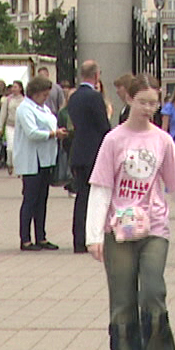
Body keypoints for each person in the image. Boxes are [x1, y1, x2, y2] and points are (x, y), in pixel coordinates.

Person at [84, 74, 175, 350]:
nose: (148, 109)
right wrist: (93, 235)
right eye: (142, 102)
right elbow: (101, 188)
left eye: (154, 103)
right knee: (122, 300)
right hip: (118, 231)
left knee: (152, 291)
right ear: (130, 101)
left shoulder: (163, 141)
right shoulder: (114, 140)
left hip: (153, 227)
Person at [14, 76, 68, 251]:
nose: (46, 98)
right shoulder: (24, 109)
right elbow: (32, 133)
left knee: (42, 199)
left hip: (45, 160)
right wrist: (53, 134)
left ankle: (41, 236)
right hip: (31, 161)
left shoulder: (42, 108)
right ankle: (25, 238)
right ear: (35, 93)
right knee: (30, 199)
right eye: (44, 95)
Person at [69, 60, 113, 254]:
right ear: (96, 76)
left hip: (78, 150)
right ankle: (89, 237)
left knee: (81, 196)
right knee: (93, 197)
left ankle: (78, 238)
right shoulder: (95, 97)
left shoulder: (74, 97)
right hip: (93, 152)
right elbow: (102, 125)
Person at [0, 80, 25, 175]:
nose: (13, 89)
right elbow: (3, 114)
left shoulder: (24, 100)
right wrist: (0, 127)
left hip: (21, 127)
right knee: (10, 147)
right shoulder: (8, 100)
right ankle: (10, 163)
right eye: (13, 87)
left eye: (15, 87)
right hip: (10, 125)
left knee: (20, 148)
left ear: (20, 88)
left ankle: (19, 167)